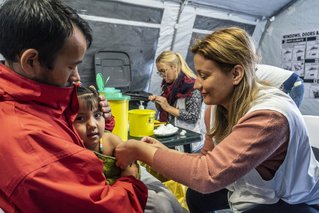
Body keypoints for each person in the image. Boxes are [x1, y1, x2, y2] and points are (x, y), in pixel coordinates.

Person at [115, 27, 319, 212]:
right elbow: (206, 158)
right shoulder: (215, 108)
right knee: (197, 196)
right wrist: (164, 152)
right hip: (255, 189)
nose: (196, 85)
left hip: (292, 199)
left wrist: (141, 151)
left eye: (204, 75)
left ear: (236, 74)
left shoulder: (269, 118)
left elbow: (207, 175)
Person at [0, 0, 147, 212]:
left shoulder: (34, 102)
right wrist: (131, 178)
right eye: (71, 67)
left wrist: (105, 120)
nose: (77, 79)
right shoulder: (29, 142)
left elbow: (65, 128)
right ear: (31, 61)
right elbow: (110, 208)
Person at [74, 85, 183, 213]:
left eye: (97, 115)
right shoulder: (72, 152)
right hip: (113, 192)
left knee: (172, 202)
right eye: (80, 118)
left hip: (130, 180)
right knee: (162, 206)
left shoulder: (109, 140)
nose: (92, 125)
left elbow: (131, 168)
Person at [150, 50, 204, 152]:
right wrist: (159, 103)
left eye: (163, 71)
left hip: (188, 143)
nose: (162, 75)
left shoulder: (191, 87)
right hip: (174, 138)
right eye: (159, 72)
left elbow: (192, 116)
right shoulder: (169, 85)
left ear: (174, 67)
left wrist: (167, 107)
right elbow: (167, 111)